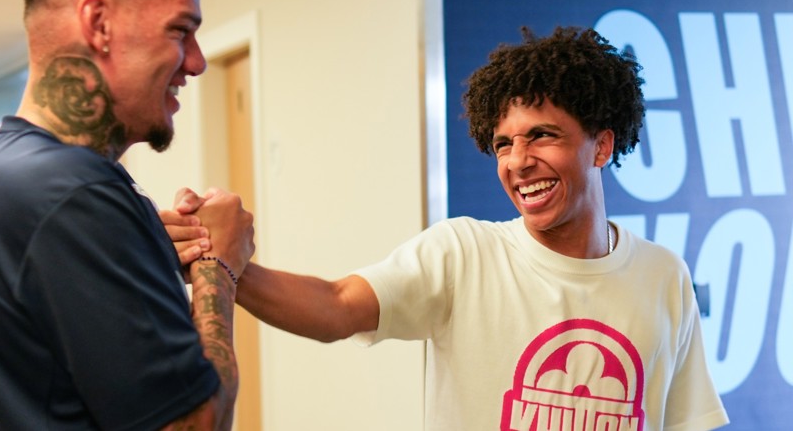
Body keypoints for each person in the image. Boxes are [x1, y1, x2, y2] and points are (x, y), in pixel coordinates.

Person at [166, 26, 729, 430]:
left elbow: (687, 419)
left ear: (600, 145)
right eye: (503, 144)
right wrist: (224, 259)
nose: (518, 161)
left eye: (542, 136)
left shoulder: (662, 275)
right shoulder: (464, 253)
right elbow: (336, 306)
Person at [0, 0, 254, 430]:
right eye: (180, 30)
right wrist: (217, 269)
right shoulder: (73, 195)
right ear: (99, 23)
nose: (197, 63)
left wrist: (139, 252)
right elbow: (195, 424)